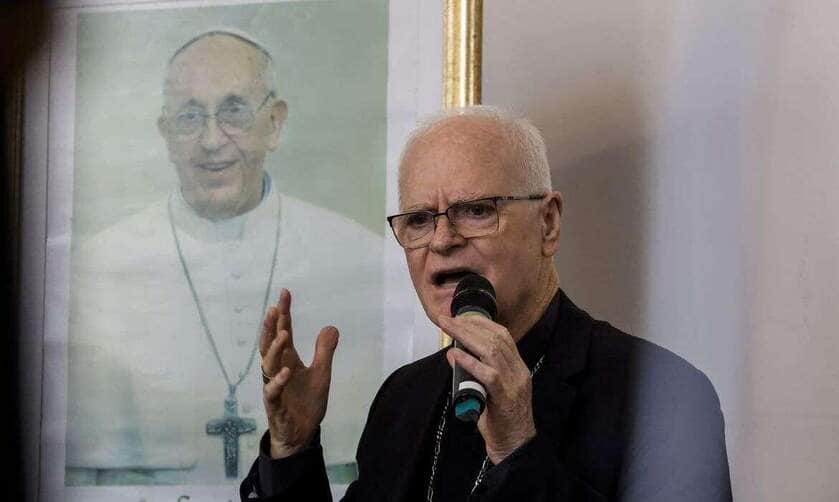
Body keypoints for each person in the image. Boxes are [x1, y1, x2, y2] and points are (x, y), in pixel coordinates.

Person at [241, 106, 733, 501]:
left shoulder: (665, 396)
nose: (442, 240)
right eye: (418, 220)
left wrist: (518, 449)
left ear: (549, 224)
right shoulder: (404, 396)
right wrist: (292, 449)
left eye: (476, 211)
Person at [65, 30, 383, 486]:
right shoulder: (96, 267)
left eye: (234, 111)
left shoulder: (359, 254)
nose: (212, 140)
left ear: (274, 123)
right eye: (190, 117)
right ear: (166, 134)